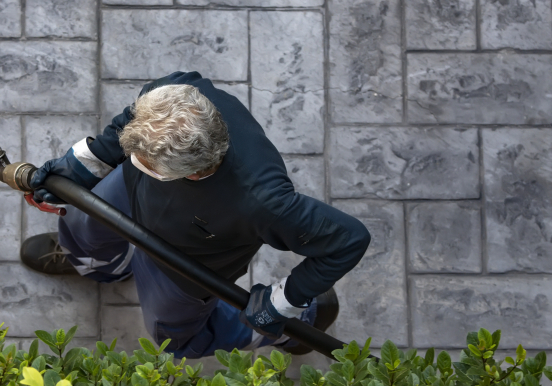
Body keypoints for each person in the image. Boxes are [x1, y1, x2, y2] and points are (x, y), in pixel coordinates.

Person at [20, 71, 371, 358]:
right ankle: (102, 267)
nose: (131, 158)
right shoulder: (174, 94)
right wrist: (81, 166)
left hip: (185, 265)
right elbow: (128, 126)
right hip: (130, 195)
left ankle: (297, 326)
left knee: (176, 340)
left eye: (146, 163)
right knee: (80, 223)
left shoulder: (264, 200)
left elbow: (347, 240)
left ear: (192, 173)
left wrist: (287, 301)